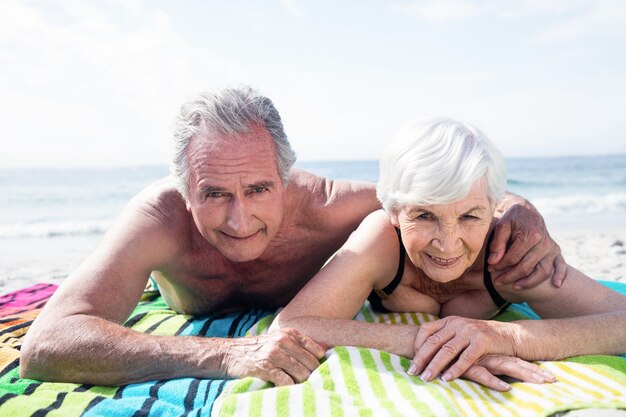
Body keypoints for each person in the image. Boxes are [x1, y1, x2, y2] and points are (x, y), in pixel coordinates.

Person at [21, 88, 564, 387]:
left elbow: (430, 196)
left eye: (259, 189)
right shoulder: (158, 220)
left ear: (288, 178)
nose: (239, 220)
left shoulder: (334, 205)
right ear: (184, 190)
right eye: (213, 195)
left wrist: (520, 208)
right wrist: (229, 355)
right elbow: (44, 347)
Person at [272, 117, 626, 391]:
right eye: (424, 215)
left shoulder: (508, 251)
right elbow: (291, 326)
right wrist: (431, 341)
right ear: (394, 210)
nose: (448, 242)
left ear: (493, 208)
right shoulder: (382, 237)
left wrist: (509, 338)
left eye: (470, 216)